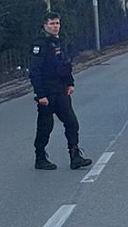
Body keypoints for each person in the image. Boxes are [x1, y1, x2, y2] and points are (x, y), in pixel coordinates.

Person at [29, 12, 93, 169]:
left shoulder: (59, 42)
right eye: (52, 24)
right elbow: (34, 71)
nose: (55, 26)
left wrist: (70, 83)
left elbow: (65, 64)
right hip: (47, 92)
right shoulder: (40, 44)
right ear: (45, 25)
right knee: (45, 127)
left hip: (61, 90)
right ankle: (40, 158)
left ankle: (75, 156)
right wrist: (40, 94)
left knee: (72, 123)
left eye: (57, 23)